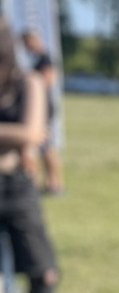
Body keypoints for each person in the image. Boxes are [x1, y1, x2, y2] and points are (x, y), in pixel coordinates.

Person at [0, 17, 71, 293]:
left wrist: (22, 138)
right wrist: (16, 137)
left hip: (18, 187)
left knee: (44, 271)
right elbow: (25, 133)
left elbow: (33, 132)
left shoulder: (28, 82)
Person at [18, 28, 63, 195]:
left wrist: (30, 81)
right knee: (40, 147)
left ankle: (54, 183)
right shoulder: (35, 59)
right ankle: (37, 183)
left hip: (43, 108)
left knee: (46, 146)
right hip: (39, 107)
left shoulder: (45, 58)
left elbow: (49, 80)